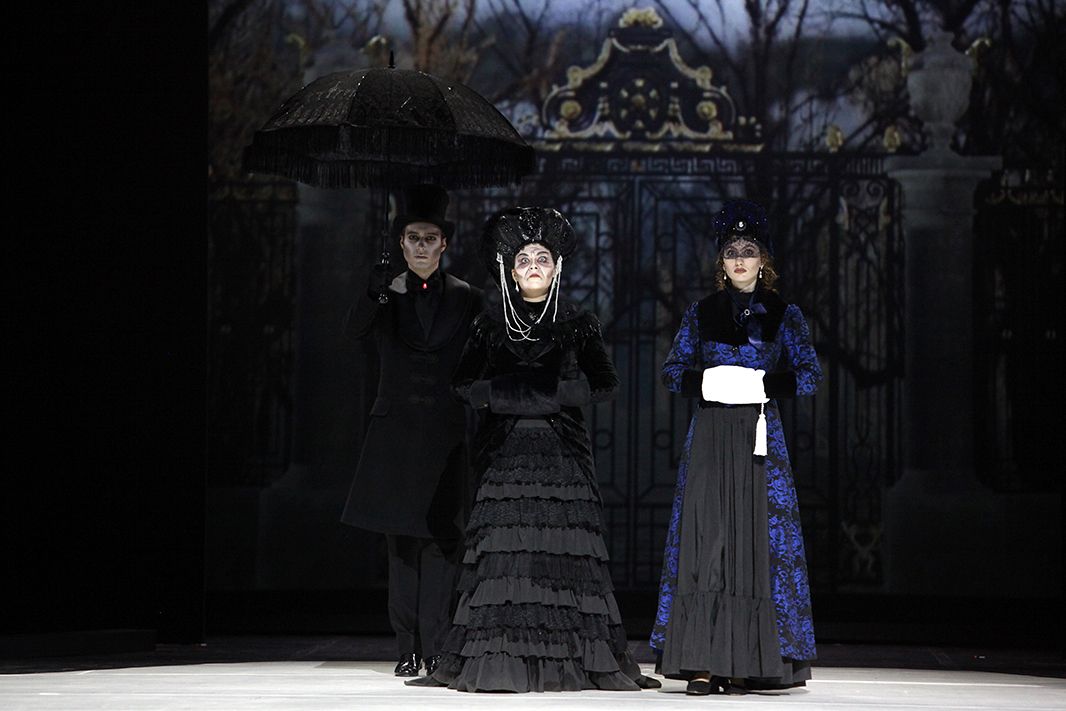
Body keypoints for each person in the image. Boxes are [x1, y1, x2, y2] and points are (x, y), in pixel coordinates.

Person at [406, 206, 659, 692]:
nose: (534, 267)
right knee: (505, 552)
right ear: (510, 269)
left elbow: (605, 383)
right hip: (504, 456)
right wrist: (506, 395)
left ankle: (566, 657)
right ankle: (503, 658)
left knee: (561, 552)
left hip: (561, 456)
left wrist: (550, 395)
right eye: (524, 260)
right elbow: (462, 384)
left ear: (557, 266)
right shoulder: (489, 324)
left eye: (543, 258)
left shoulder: (577, 323)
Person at [650, 199, 821, 695]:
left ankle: (747, 659)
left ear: (764, 259)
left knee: (756, 539)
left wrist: (762, 384)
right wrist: (710, 382)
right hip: (711, 432)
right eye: (731, 251)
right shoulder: (701, 313)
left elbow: (809, 375)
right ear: (720, 262)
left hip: (759, 437)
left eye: (749, 250)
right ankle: (702, 661)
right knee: (709, 539)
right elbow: (672, 372)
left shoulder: (784, 314)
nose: (740, 259)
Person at [340, 184, 484, 678]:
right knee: (400, 544)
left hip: (444, 434)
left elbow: (479, 358)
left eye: (430, 238)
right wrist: (374, 291)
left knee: (443, 541)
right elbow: (354, 331)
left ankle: (436, 645)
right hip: (395, 434)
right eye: (413, 238)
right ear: (401, 243)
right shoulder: (386, 292)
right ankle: (407, 647)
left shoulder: (467, 297)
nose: (422, 246)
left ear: (444, 243)